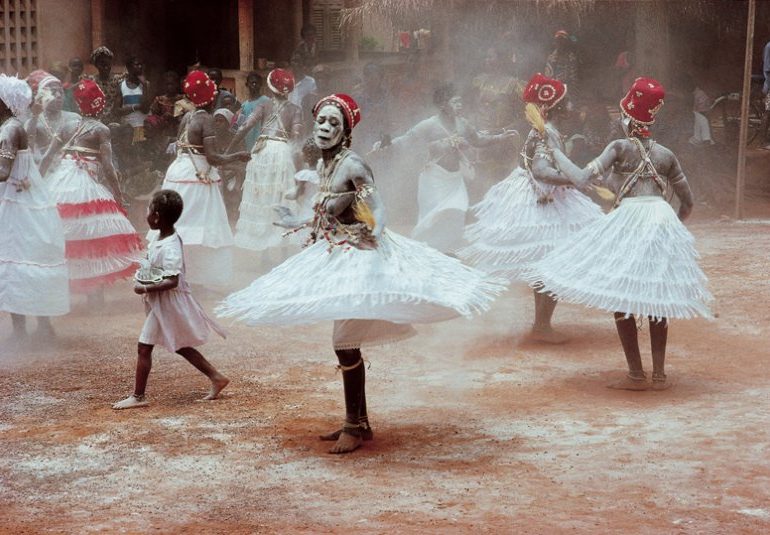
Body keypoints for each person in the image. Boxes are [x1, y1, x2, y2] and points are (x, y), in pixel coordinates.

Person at [217, 94, 503, 454]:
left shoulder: (354, 165)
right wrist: (298, 221)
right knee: (345, 344)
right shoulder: (325, 165)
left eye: (333, 123)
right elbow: (328, 213)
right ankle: (359, 423)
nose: (324, 128)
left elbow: (377, 207)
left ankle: (354, 425)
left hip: (363, 255)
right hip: (340, 253)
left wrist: (378, 228)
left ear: (345, 131)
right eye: (320, 121)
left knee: (344, 342)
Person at [530, 77, 713, 390]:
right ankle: (659, 374)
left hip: (629, 219)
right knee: (655, 296)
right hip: (660, 220)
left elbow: (580, 178)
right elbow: (688, 201)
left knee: (622, 293)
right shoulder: (666, 155)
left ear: (628, 118)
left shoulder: (618, 147)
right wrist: (673, 228)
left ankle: (636, 375)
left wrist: (555, 153)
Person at [458, 73, 603, 343]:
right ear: (557, 107)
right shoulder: (547, 132)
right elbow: (541, 171)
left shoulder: (546, 130)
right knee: (554, 260)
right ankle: (542, 325)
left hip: (540, 196)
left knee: (547, 260)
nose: (573, 106)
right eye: (568, 102)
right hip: (539, 197)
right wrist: (577, 181)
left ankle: (541, 324)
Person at [113, 189, 229, 410]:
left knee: (144, 347)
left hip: (169, 303)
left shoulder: (171, 245)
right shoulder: (161, 238)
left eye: (148, 210)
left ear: (156, 216)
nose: (145, 214)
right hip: (163, 302)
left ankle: (138, 396)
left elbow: (172, 280)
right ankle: (216, 376)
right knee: (180, 344)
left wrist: (145, 286)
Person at [376, 83, 517, 253]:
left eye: (460, 102)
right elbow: (408, 139)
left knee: (456, 212)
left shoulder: (463, 123)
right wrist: (386, 144)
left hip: (454, 179)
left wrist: (501, 137)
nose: (460, 106)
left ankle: (448, 249)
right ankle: (433, 251)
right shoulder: (429, 125)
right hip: (433, 179)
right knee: (436, 218)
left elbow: (478, 140)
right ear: (443, 104)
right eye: (455, 102)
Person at [39, 79, 144, 295]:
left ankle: (65, 289)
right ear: (101, 104)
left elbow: (47, 158)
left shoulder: (67, 126)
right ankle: (94, 295)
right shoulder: (101, 130)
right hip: (83, 182)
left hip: (60, 181)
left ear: (79, 105)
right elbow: (108, 168)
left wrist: (38, 189)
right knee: (94, 233)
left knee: (66, 232)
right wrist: (118, 196)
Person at [154, 70, 250, 287]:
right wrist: (238, 157)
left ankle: (178, 274)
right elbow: (213, 158)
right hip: (197, 178)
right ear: (211, 97)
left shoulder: (187, 116)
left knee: (182, 226)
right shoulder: (205, 119)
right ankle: (196, 279)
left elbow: (184, 146)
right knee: (199, 229)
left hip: (178, 174)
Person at [0, 74, 69, 341]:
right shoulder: (12, 125)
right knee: (27, 260)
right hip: (24, 200)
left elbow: (4, 172)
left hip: (18, 205)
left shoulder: (9, 129)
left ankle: (25, 330)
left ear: (4, 102)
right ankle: (39, 327)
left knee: (17, 260)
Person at [227, 68, 302, 253]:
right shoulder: (295, 109)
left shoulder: (264, 105)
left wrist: (229, 150)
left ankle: (265, 252)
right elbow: (296, 138)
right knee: (280, 198)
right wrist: (298, 165)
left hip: (262, 151)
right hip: (283, 152)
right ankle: (283, 248)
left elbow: (245, 126)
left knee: (262, 198)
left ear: (270, 87)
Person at [25, 72, 82, 165]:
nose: (59, 96)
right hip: (43, 171)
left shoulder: (74, 118)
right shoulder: (34, 121)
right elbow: (28, 149)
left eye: (61, 91)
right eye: (53, 92)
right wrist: (34, 117)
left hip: (69, 171)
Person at [116, 56, 150, 144]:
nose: (140, 67)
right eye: (137, 64)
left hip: (142, 127)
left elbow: (146, 109)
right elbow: (117, 110)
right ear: (129, 67)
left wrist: (145, 86)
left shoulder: (146, 85)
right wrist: (136, 107)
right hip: (127, 128)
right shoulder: (121, 86)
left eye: (141, 64)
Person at [86, 46, 124, 123]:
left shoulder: (117, 80)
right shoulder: (91, 81)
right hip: (96, 122)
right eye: (102, 64)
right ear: (96, 65)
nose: (106, 67)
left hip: (114, 122)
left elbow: (119, 103)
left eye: (108, 64)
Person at [234, 71, 269, 152]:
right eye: (252, 83)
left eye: (256, 83)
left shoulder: (266, 101)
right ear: (247, 85)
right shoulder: (244, 106)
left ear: (261, 85)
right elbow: (237, 128)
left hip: (263, 144)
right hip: (249, 145)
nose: (254, 85)